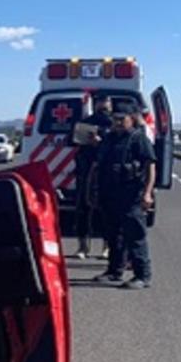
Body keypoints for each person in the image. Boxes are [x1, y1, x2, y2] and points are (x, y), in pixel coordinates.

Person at [91, 108, 157, 289]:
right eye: (115, 119)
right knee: (113, 236)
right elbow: (99, 166)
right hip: (109, 194)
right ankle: (114, 271)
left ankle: (142, 276)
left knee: (135, 236)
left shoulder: (138, 138)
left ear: (132, 119)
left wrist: (148, 193)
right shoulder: (109, 139)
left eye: (122, 119)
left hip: (132, 195)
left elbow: (150, 166)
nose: (118, 122)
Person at [73, 95, 113, 259]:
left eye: (106, 103)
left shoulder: (115, 124)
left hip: (108, 172)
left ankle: (107, 247)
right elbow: (74, 141)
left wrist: (101, 141)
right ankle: (82, 247)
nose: (103, 105)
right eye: (100, 103)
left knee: (107, 212)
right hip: (87, 171)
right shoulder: (86, 122)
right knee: (82, 210)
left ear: (111, 105)